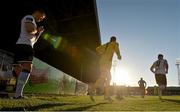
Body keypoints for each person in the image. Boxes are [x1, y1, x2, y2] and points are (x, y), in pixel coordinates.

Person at [0, 9, 46, 99]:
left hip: (23, 45)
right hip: (25, 46)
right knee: (27, 68)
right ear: (38, 13)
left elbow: (33, 40)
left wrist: (39, 33)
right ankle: (18, 95)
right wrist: (37, 30)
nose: (41, 19)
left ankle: (1, 75)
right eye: (42, 17)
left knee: (17, 72)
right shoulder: (29, 17)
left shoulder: (33, 22)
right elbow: (29, 29)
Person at [89, 36, 122, 102]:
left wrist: (104, 53)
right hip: (106, 64)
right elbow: (117, 50)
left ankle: (103, 94)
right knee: (107, 78)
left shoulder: (107, 44)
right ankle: (95, 92)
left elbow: (97, 49)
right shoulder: (114, 44)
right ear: (114, 40)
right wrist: (119, 56)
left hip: (102, 63)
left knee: (104, 78)